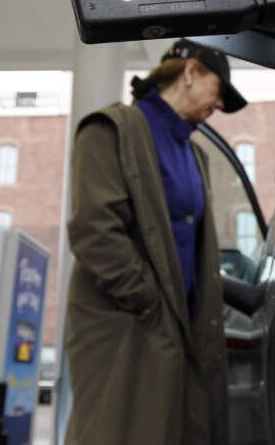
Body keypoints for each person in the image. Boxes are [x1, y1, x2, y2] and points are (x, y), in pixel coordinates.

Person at [63, 39, 247, 445]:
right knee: (118, 432)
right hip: (127, 327)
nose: (220, 105)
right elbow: (94, 230)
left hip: (178, 332)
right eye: (220, 90)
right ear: (190, 71)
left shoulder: (195, 155)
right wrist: (149, 302)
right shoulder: (110, 130)